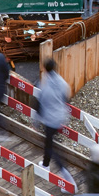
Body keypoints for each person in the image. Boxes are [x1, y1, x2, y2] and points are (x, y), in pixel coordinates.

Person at [34, 59, 77, 188]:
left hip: (50, 120)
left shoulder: (44, 85)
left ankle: (64, 173)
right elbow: (66, 98)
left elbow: (39, 106)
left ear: (45, 69)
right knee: (50, 142)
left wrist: (35, 123)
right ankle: (46, 164)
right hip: (61, 117)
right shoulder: (62, 82)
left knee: (50, 146)